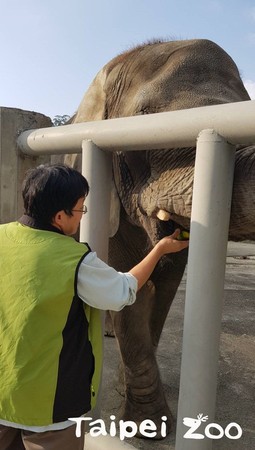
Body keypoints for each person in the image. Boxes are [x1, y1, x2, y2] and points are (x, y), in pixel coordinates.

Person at [0, 163, 188, 450]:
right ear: (59, 216)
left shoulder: (3, 236)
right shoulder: (74, 260)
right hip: (50, 402)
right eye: (80, 209)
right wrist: (159, 249)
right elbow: (123, 290)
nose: (82, 216)